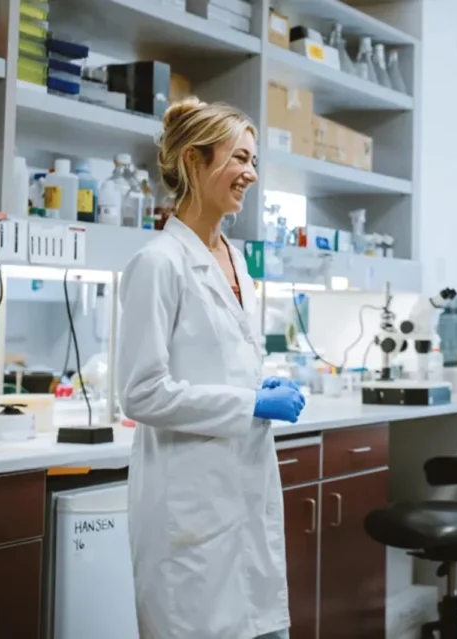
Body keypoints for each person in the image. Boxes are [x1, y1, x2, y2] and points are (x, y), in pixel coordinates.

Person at [116, 98, 307, 639]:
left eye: (254, 161)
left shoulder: (234, 259)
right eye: (239, 158)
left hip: (243, 488)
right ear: (195, 162)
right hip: (189, 507)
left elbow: (218, 359)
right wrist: (248, 402)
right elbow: (141, 393)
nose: (251, 173)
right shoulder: (158, 263)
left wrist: (255, 385)